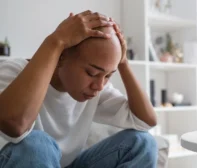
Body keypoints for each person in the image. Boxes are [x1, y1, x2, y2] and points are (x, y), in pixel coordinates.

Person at [0, 10, 158, 168]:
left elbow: (146, 121)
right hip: (19, 160)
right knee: (37, 145)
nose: (99, 86)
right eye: (92, 73)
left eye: (108, 75)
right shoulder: (14, 71)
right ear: (61, 56)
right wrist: (55, 41)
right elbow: (15, 126)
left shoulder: (96, 89)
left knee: (143, 143)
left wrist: (122, 62)